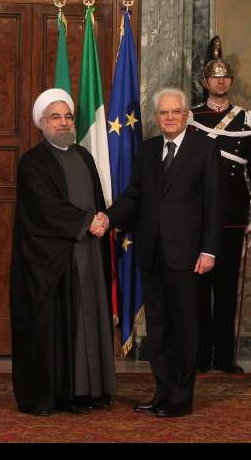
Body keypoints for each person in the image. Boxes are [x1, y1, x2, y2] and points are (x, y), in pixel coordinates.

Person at [93, 87, 221, 418]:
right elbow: (134, 196)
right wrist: (108, 217)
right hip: (151, 254)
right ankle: (162, 392)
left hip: (189, 256)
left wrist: (209, 250)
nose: (169, 117)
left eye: (175, 112)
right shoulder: (148, 150)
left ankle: (181, 398)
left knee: (185, 329)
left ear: (186, 115)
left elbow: (214, 203)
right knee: (159, 329)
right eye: (163, 112)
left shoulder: (205, 149)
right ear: (156, 117)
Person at [10, 88, 116, 416]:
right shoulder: (32, 162)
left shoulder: (84, 156)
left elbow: (96, 199)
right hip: (52, 261)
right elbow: (46, 209)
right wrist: (87, 222)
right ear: (41, 123)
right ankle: (55, 395)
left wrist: (102, 218)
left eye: (67, 116)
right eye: (55, 117)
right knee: (56, 327)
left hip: (88, 253)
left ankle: (89, 391)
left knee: (89, 319)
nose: (63, 122)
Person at [189, 36, 251, 374]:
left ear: (231, 82)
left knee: (225, 289)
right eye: (214, 76)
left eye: (225, 77)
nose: (220, 82)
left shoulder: (247, 120)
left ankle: (224, 357)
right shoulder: (190, 117)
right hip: (197, 213)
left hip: (232, 213)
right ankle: (200, 357)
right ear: (205, 81)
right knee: (198, 290)